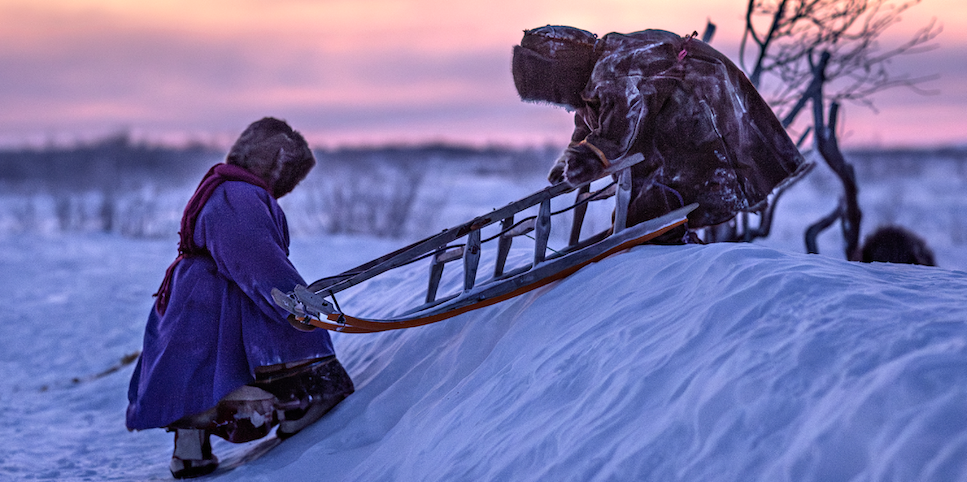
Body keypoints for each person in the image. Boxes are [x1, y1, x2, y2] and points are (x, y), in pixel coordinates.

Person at [126, 118, 354, 479]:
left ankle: (189, 451)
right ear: (277, 168)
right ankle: (300, 409)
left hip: (193, 300)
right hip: (215, 301)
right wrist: (298, 301)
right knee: (288, 340)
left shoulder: (224, 188)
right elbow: (257, 259)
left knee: (195, 372)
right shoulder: (239, 195)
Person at [512, 26, 807, 241]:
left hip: (699, 105)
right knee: (646, 173)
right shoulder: (596, 79)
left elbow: (628, 111)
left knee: (663, 175)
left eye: (552, 93)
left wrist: (594, 155)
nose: (557, 101)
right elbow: (594, 123)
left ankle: (658, 230)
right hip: (679, 110)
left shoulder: (616, 66)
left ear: (562, 73)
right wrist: (574, 154)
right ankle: (652, 226)